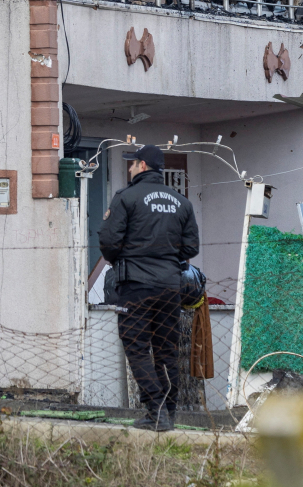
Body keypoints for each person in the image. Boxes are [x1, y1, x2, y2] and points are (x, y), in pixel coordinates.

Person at [98, 144, 200, 432]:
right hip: (171, 286)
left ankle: (155, 409)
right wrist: (167, 258)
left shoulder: (126, 197)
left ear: (142, 166)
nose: (129, 168)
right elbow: (191, 246)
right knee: (166, 349)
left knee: (136, 346)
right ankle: (168, 411)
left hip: (136, 286)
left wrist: (128, 259)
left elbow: (108, 242)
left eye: (132, 164)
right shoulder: (182, 202)